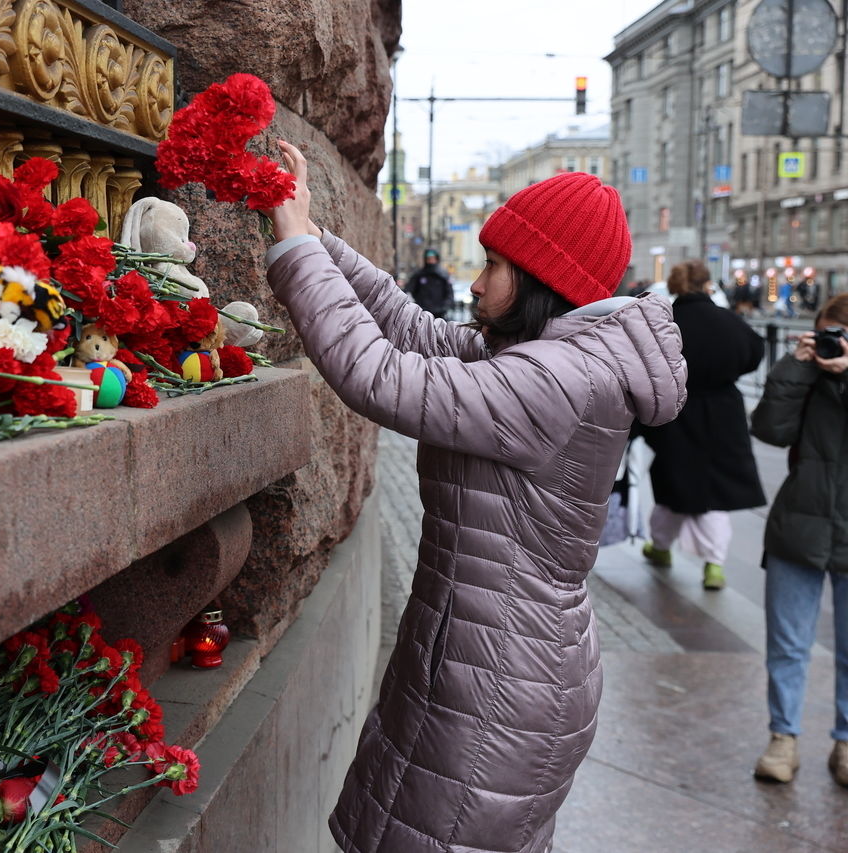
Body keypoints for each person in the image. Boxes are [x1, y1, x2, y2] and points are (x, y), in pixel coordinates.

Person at [262, 142, 686, 853]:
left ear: (543, 279)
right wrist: (310, 232)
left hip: (500, 686)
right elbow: (412, 329)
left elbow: (378, 373)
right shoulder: (538, 356)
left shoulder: (555, 381)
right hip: (487, 663)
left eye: (495, 266)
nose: (476, 283)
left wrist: (298, 250)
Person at [750, 293, 848, 786]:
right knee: (788, 644)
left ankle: (847, 744)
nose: (835, 344)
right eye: (827, 333)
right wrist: (797, 366)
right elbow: (769, 429)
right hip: (799, 526)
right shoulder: (807, 375)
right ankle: (783, 739)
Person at [639, 260, 766, 590]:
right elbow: (754, 351)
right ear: (708, 284)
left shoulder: (667, 324)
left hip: (676, 411)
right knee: (716, 491)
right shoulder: (730, 322)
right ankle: (714, 564)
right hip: (724, 412)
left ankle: (661, 547)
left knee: (672, 484)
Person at [404, 247, 453, 317]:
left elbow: (449, 293)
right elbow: (408, 290)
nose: (431, 261)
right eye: (428, 259)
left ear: (437, 259)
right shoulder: (419, 275)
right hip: (422, 313)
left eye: (433, 258)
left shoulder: (443, 275)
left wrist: (444, 308)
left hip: (439, 313)